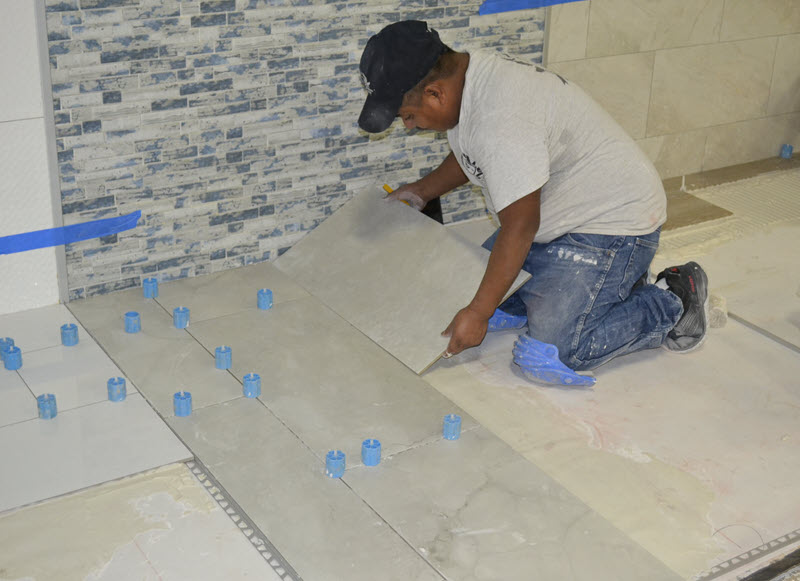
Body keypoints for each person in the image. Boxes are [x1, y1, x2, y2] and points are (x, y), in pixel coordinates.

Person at [356, 20, 708, 380]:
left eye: (408, 116)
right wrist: (420, 191)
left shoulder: (501, 117)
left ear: (434, 94)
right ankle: (601, 288)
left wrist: (479, 313)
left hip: (611, 228)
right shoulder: (470, 79)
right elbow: (475, 154)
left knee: (553, 353)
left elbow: (520, 225)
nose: (410, 126)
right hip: (553, 221)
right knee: (463, 294)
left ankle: (672, 301)